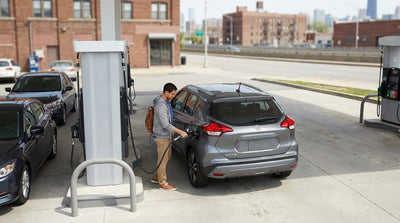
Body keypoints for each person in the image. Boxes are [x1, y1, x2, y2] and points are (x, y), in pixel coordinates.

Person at [151, 83, 188, 191]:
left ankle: (157, 177)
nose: (173, 96)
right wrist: (180, 131)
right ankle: (163, 183)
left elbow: (168, 120)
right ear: (166, 92)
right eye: (172, 94)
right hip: (161, 136)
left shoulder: (165, 102)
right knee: (163, 160)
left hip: (165, 135)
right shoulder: (161, 105)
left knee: (165, 158)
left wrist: (171, 131)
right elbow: (165, 124)